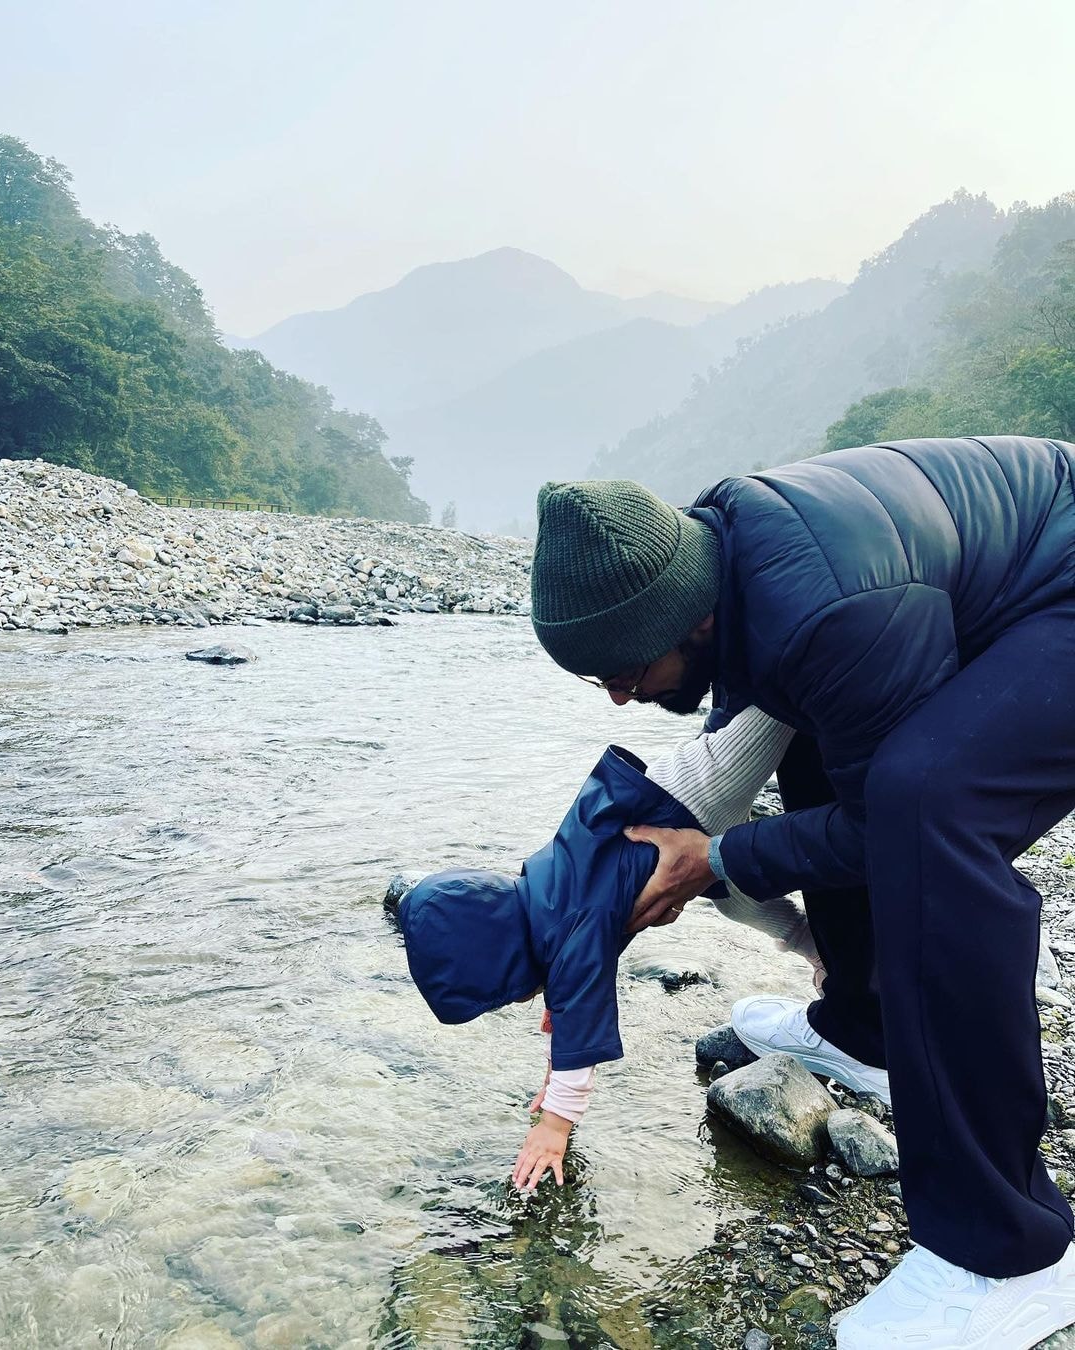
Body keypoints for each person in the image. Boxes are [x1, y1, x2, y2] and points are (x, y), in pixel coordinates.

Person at [528, 437, 1075, 1350]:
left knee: (927, 810)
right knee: (836, 744)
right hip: (988, 587)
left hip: (1060, 586)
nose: (619, 699)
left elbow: (874, 828)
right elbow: (755, 738)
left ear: (688, 620)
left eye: (625, 672)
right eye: (598, 680)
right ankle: (866, 1032)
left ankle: (1008, 1253)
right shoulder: (718, 563)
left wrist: (718, 859)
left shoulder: (827, 610)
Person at [399, 709, 827, 1193]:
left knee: (771, 716)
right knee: (738, 903)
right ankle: (821, 951)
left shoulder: (568, 930)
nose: (517, 1000)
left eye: (505, 995)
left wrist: (554, 1127)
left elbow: (580, 1027)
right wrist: (554, 1074)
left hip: (683, 801)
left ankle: (815, 659)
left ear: (502, 961)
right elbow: (568, 1016)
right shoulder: (544, 900)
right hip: (669, 816)